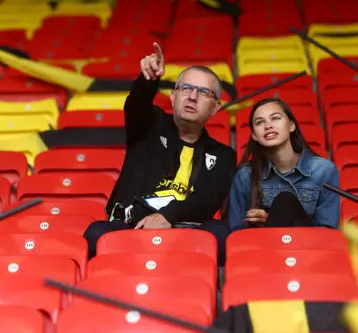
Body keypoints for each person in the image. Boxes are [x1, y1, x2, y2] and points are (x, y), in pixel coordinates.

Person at [83, 42, 237, 260]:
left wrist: (167, 217)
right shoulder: (150, 125)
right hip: (132, 226)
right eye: (186, 88)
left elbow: (207, 200)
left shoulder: (223, 156)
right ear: (173, 97)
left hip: (185, 230)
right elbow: (136, 105)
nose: (192, 96)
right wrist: (149, 80)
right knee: (95, 234)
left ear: (216, 108)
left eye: (204, 93)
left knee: (221, 237)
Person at [227, 98, 340, 231]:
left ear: (291, 125)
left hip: (309, 248)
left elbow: (327, 232)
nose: (268, 125)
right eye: (260, 122)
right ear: (254, 136)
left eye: (275, 118)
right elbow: (235, 233)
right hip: (264, 248)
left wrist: (273, 220)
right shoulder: (245, 176)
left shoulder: (324, 170)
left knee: (285, 202)